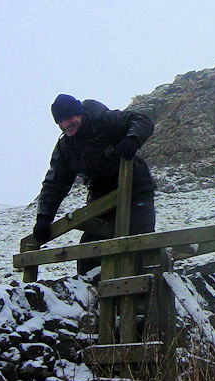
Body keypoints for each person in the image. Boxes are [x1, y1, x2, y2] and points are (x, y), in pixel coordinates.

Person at [33, 94, 157, 275]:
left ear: (80, 114)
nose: (66, 124)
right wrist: (43, 218)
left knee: (138, 246)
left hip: (135, 190)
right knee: (88, 256)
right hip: (100, 201)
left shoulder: (103, 119)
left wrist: (132, 140)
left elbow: (142, 120)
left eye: (69, 118)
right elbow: (55, 183)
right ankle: (93, 298)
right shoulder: (65, 148)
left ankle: (146, 293)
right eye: (60, 121)